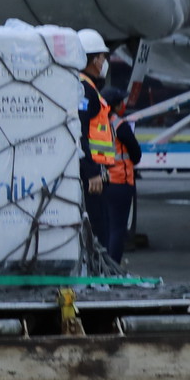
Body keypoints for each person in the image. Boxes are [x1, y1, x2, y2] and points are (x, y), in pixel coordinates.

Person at [75, 28, 120, 260]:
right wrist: (92, 172)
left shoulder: (89, 88)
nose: (104, 61)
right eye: (102, 57)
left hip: (97, 172)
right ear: (92, 60)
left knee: (101, 226)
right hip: (91, 175)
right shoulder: (84, 89)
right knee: (97, 229)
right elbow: (80, 132)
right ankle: (96, 275)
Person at [90, 85, 144, 264]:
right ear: (115, 105)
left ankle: (101, 266)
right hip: (120, 181)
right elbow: (135, 153)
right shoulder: (118, 124)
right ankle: (113, 267)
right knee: (117, 229)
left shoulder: (94, 123)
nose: (124, 104)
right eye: (121, 101)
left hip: (99, 181)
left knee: (103, 228)